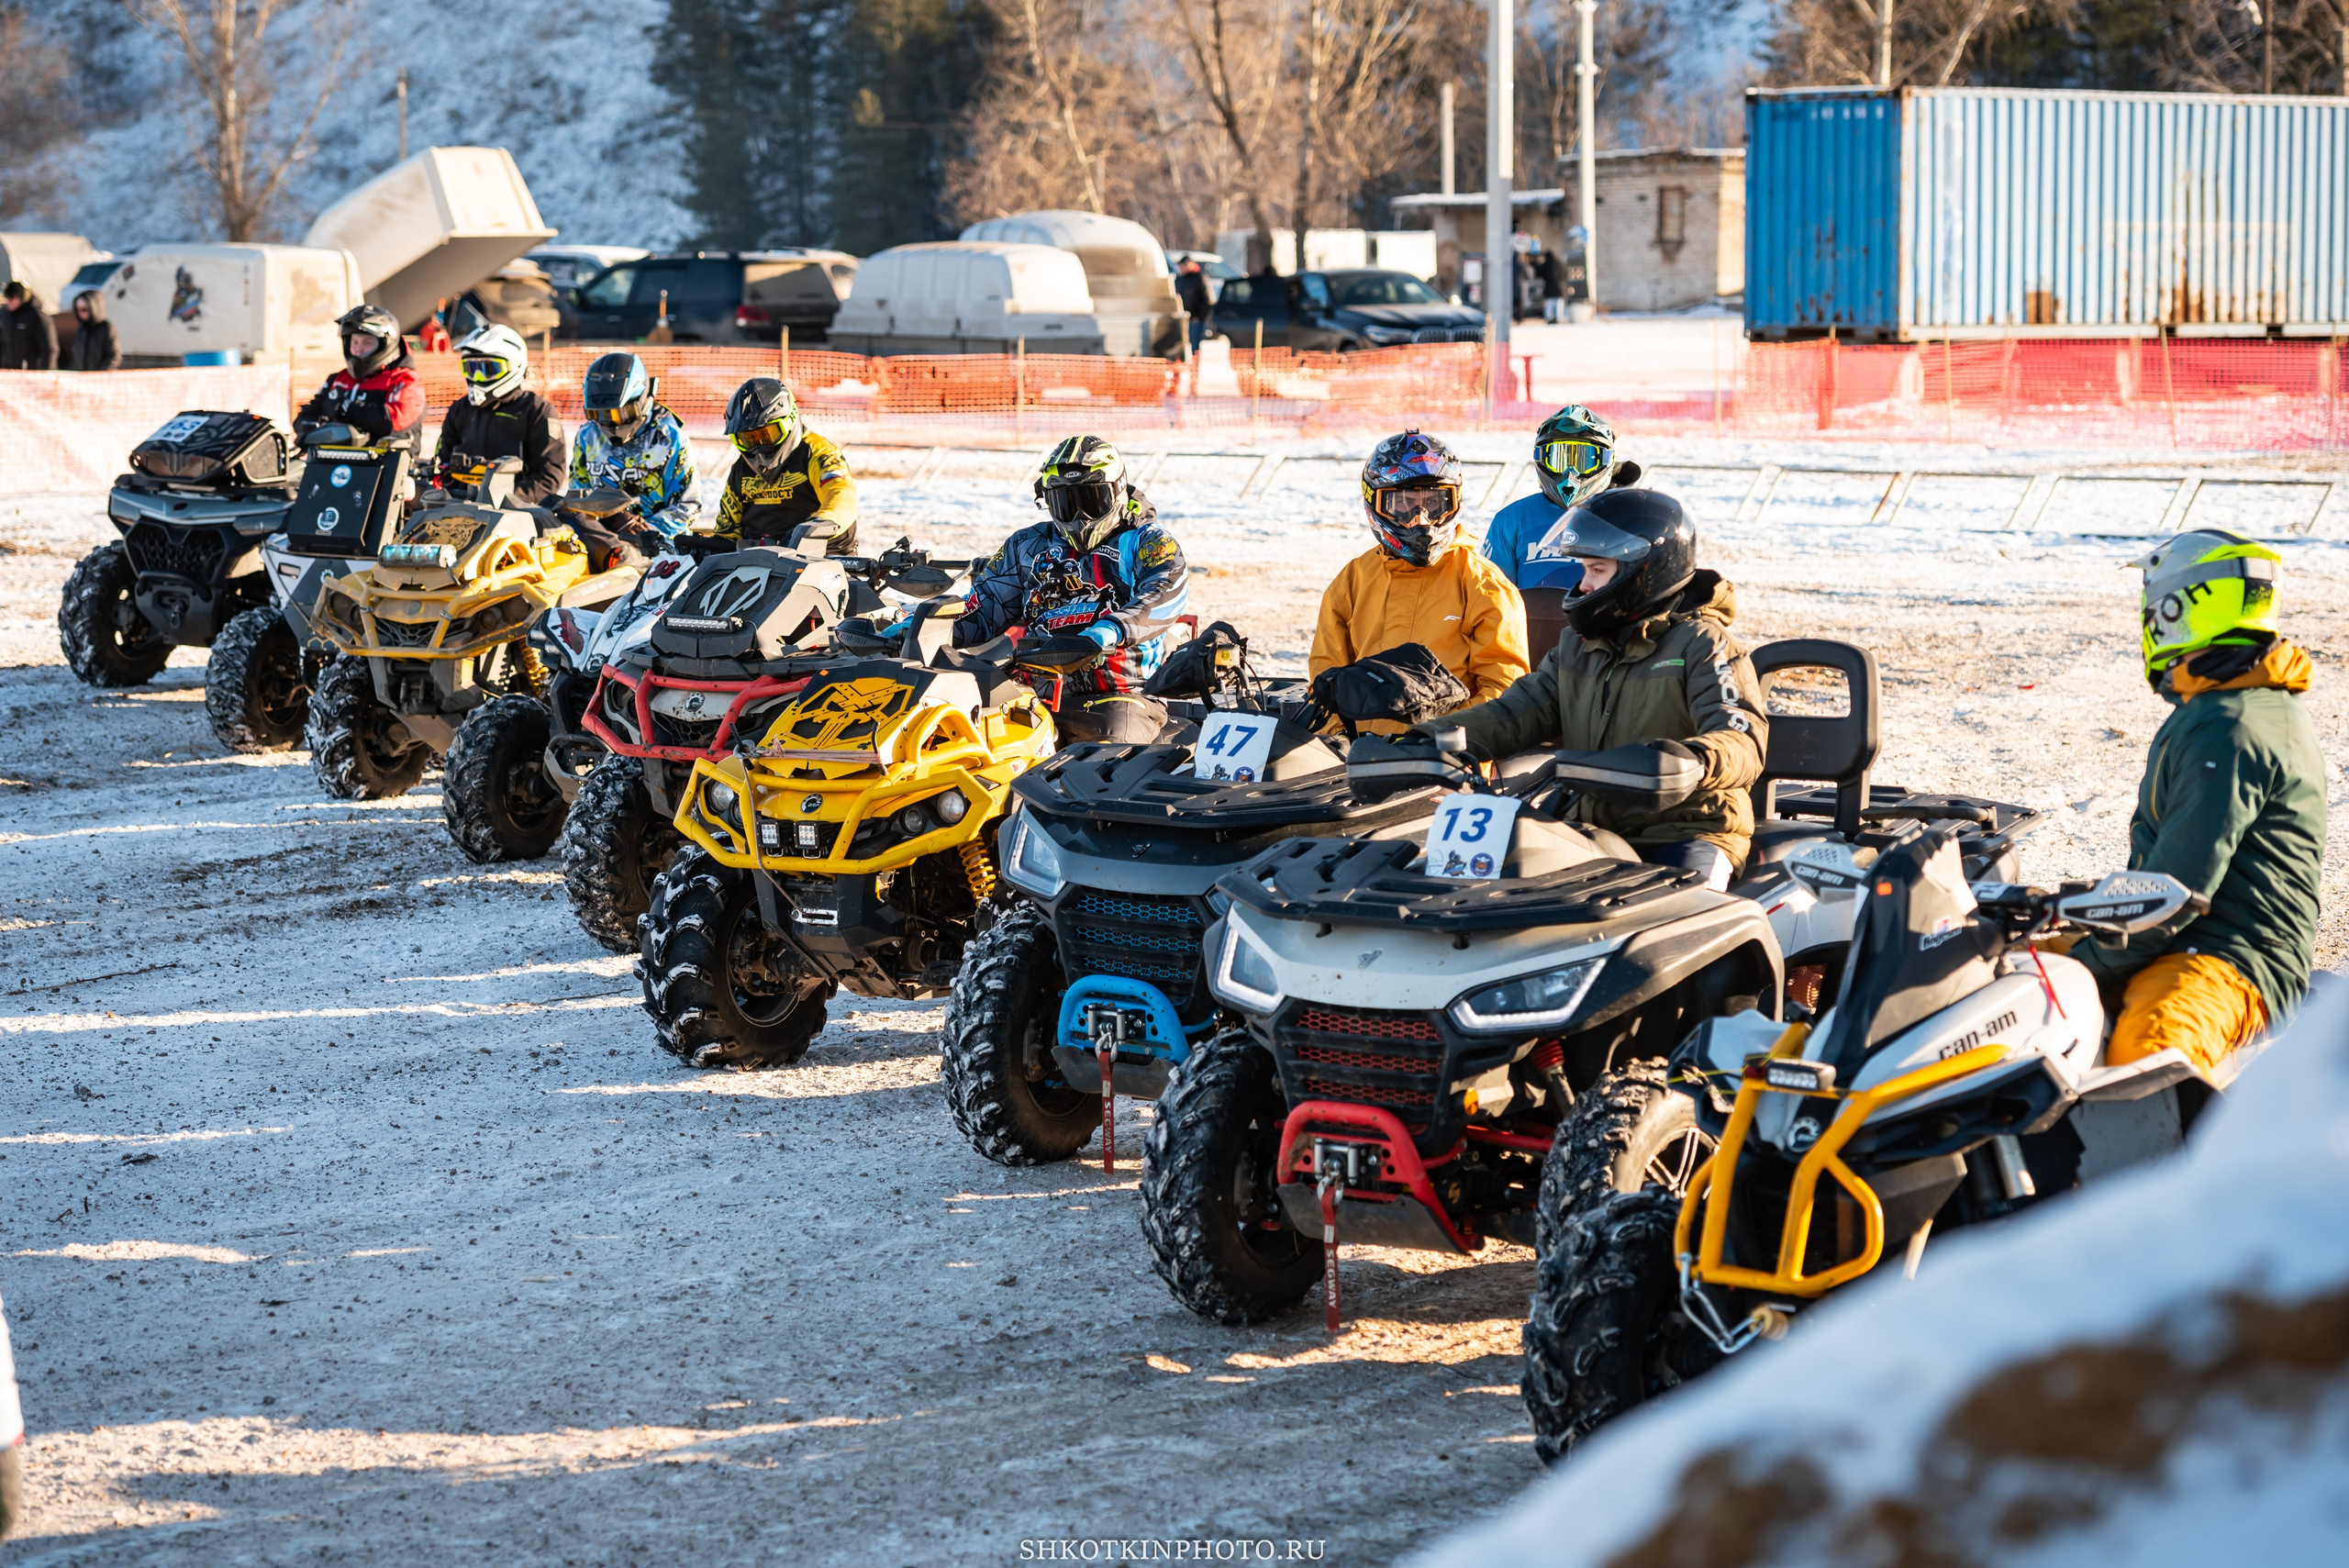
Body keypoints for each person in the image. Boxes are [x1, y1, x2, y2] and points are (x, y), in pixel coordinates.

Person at [1412, 487, 1768, 888]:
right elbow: (1515, 713)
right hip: (1591, 825)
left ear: (1645, 572)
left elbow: (1743, 741)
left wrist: (1689, 761)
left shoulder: (1704, 644)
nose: (1583, 585)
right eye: (1584, 570)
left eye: (1596, 570)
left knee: (1677, 915)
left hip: (1687, 828)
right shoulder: (1578, 646)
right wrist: (1424, 741)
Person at [2063, 529, 2324, 1073]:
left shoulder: (2234, 726)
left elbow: (2176, 890)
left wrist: (2087, 964)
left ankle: (2168, 1161)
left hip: (2233, 956)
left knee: (2150, 1047)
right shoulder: (2226, 705)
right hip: (2184, 937)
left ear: (2182, 605)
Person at [953, 435, 1188, 745]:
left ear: (1118, 490)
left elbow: (1164, 593)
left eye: (1092, 500)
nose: (1081, 516)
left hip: (1123, 697)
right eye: (1067, 503)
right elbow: (983, 607)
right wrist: (918, 627)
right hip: (1028, 696)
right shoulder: (1025, 545)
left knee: (1111, 753)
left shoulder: (1147, 541)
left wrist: (1112, 629)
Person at [1309, 430, 1530, 733]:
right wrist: (1336, 740)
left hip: (1448, 761)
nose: (1421, 520)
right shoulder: (1352, 580)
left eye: (1435, 503)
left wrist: (1442, 740)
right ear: (1375, 502)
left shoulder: (1483, 585)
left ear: (1455, 502)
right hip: (1355, 760)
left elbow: (1503, 688)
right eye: (1403, 504)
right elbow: (1325, 675)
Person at [1481, 405, 1642, 589]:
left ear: (1606, 461)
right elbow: (1491, 593)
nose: (1570, 472)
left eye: (1583, 460)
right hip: (1528, 618)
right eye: (1559, 459)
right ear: (1541, 458)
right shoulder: (1511, 519)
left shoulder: (1629, 517)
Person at [711, 377, 857, 553]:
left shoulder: (819, 452)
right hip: (758, 563)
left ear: (790, 420)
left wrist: (816, 526)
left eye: (767, 435)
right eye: (749, 439)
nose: (759, 447)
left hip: (819, 557)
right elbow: (727, 528)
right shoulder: (740, 470)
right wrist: (708, 548)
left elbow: (842, 496)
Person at [569, 350, 698, 538]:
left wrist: (644, 531)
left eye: (619, 414)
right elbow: (577, 494)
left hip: (658, 547)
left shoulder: (670, 440)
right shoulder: (587, 436)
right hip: (599, 539)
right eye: (600, 415)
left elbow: (688, 505)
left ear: (641, 400)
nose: (611, 423)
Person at [432, 324, 564, 504]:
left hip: (516, 513)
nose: (478, 377)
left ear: (513, 366)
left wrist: (505, 499)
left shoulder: (536, 411)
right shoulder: (460, 409)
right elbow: (441, 462)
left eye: (488, 369)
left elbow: (549, 477)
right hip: (459, 507)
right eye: (471, 368)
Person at [294, 305, 424, 445]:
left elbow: (395, 420)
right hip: (333, 459)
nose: (359, 348)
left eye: (367, 342)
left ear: (384, 344)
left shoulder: (403, 379)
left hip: (385, 460)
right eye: (354, 342)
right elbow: (310, 414)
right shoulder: (338, 379)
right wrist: (308, 427)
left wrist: (349, 409)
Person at [0, 283, 58, 370]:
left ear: (21, 298)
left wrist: (46, 372)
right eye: (7, 298)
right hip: (9, 370)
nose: (8, 301)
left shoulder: (37, 317)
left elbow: (49, 348)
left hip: (31, 371)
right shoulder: (5, 316)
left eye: (12, 298)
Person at [65, 290, 120, 372]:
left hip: (98, 380)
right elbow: (76, 359)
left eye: (84, 309)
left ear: (93, 308)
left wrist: (100, 374)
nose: (81, 313)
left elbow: (114, 356)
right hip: (80, 379)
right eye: (78, 309)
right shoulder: (80, 331)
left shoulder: (106, 328)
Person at [1174, 259, 1213, 359]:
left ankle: (1194, 367)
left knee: (1194, 347)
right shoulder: (1180, 279)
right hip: (1182, 318)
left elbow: (1208, 300)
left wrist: (1199, 316)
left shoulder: (1199, 278)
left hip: (1195, 319)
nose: (1181, 269)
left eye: (1183, 266)